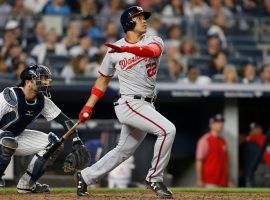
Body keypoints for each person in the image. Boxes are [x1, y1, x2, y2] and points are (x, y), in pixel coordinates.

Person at [76, 6, 176, 199]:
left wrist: (127, 48)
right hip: (129, 103)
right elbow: (103, 80)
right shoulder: (114, 51)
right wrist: (88, 106)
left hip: (147, 104)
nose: (144, 20)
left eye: (144, 18)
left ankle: (85, 176)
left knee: (122, 151)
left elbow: (151, 51)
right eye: (139, 18)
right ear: (129, 23)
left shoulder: (154, 40)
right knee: (167, 130)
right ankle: (155, 178)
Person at [0, 64, 89, 193]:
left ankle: (27, 185)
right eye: (41, 78)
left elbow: (65, 121)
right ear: (28, 82)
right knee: (8, 141)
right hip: (4, 137)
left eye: (46, 79)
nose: (45, 82)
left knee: (54, 144)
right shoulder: (10, 96)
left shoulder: (42, 101)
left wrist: (76, 140)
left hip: (14, 137)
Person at [196, 114, 233, 188]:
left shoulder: (223, 141)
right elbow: (199, 161)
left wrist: (229, 180)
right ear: (211, 124)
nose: (221, 124)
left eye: (221, 122)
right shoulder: (205, 140)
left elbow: (226, 163)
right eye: (217, 122)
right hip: (209, 181)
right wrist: (199, 179)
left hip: (223, 181)